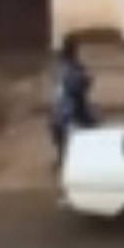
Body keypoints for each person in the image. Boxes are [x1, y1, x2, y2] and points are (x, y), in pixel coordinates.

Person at [49, 36, 97, 168]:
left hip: (59, 109)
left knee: (63, 135)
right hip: (68, 109)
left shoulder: (60, 65)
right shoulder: (70, 69)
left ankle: (63, 159)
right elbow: (79, 84)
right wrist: (87, 79)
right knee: (85, 128)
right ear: (74, 51)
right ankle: (71, 162)